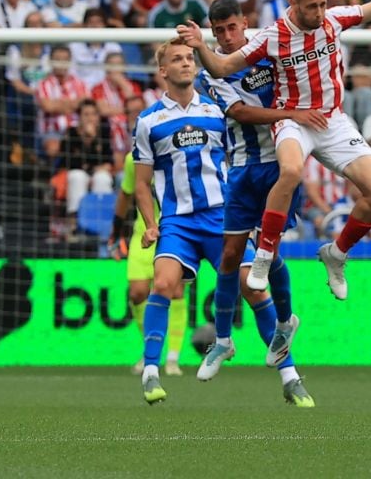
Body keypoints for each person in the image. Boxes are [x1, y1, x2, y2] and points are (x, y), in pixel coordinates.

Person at [177, 0, 371, 300]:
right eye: (312, 6)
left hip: (332, 121)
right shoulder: (272, 36)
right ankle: (264, 255)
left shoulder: (335, 21)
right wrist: (201, 46)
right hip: (293, 120)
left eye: (323, 4)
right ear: (292, 3)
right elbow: (220, 69)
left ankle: (336, 254)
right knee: (291, 169)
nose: (320, 12)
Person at [133, 39, 313, 406]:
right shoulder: (148, 121)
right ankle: (151, 372)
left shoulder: (218, 112)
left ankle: (290, 376)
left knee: (252, 285)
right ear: (163, 71)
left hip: (221, 217)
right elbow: (141, 182)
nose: (186, 63)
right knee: (163, 282)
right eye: (177, 60)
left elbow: (242, 161)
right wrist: (151, 224)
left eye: (189, 58)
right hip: (178, 223)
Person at [194, 0, 319, 405]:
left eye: (232, 28)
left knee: (266, 259)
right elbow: (241, 113)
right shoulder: (210, 73)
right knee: (230, 254)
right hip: (244, 168)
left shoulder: (272, 50)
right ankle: (224, 340)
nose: (227, 37)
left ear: (245, 24)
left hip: (282, 165)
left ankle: (285, 325)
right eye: (219, 31)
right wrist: (291, 113)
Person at [108, 94, 188, 377]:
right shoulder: (134, 160)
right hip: (143, 233)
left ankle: (173, 358)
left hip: (177, 231)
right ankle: (149, 349)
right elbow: (126, 195)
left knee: (176, 291)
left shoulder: (179, 153)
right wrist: (115, 232)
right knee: (138, 292)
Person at [59, 99, 114, 218]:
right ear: (79, 117)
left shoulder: (104, 132)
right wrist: (86, 139)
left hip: (96, 173)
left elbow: (108, 161)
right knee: (77, 176)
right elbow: (68, 161)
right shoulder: (71, 133)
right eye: (86, 114)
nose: (90, 118)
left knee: (102, 178)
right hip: (77, 173)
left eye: (94, 114)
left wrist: (94, 139)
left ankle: (101, 221)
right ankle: (75, 221)